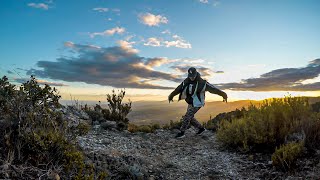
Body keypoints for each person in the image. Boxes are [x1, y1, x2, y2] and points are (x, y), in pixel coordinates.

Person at [168, 67, 228, 138]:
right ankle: (201, 129)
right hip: (190, 102)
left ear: (196, 74)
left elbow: (213, 89)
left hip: (198, 103)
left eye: (193, 76)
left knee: (187, 117)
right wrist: (171, 95)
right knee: (190, 117)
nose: (192, 78)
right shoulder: (186, 81)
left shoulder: (202, 83)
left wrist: (223, 94)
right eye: (190, 76)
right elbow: (178, 89)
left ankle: (182, 133)